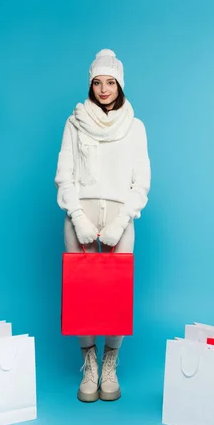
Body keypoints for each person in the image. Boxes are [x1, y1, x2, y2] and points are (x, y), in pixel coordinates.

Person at [55, 49, 151, 402]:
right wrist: (77, 217)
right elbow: (64, 176)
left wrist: (121, 221)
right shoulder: (75, 122)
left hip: (119, 218)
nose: (104, 88)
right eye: (98, 82)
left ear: (120, 85)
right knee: (82, 295)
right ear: (91, 85)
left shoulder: (135, 127)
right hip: (80, 216)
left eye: (111, 82)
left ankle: (110, 361)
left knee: (115, 295)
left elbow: (141, 182)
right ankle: (89, 364)